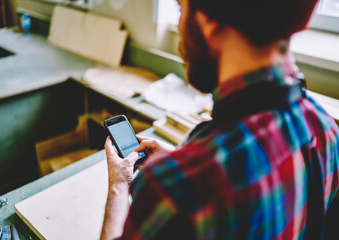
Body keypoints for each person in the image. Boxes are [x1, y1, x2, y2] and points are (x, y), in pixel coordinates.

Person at [101, 0, 339, 239]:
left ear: (210, 22)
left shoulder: (173, 191)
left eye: (180, 9)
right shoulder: (325, 128)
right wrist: (182, 159)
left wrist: (119, 186)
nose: (179, 26)